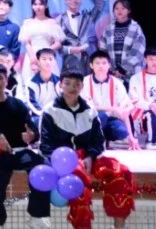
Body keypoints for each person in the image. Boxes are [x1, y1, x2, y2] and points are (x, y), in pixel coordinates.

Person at [40, 71, 133, 229]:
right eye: (68, 83)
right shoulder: (50, 110)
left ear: (82, 86)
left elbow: (98, 140)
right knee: (78, 182)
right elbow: (45, 146)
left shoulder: (90, 110)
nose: (72, 87)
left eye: (77, 84)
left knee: (121, 172)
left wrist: (90, 156)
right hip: (63, 162)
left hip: (89, 157)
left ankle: (119, 226)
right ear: (60, 85)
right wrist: (66, 163)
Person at [0, 63, 51, 229]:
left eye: (0, 78)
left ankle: (38, 215)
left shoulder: (18, 104)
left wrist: (32, 135)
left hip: (20, 151)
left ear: (6, 80)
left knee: (43, 167)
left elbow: (31, 128)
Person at [81, 51, 137, 149]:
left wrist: (131, 136)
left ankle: (104, 139)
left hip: (111, 119)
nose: (101, 66)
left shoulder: (117, 83)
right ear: (91, 65)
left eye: (104, 63)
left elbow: (124, 111)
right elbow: (87, 107)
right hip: (89, 119)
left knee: (122, 132)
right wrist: (111, 109)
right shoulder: (84, 82)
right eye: (97, 63)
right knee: (101, 116)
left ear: (109, 65)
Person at [58, 0, 105, 75]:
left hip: (90, 63)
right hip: (70, 64)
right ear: (66, 0)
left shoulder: (88, 17)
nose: (74, 1)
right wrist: (71, 49)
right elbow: (58, 47)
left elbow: (101, 2)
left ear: (80, 0)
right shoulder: (58, 20)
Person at [19, 0, 63, 83]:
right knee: (31, 82)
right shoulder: (28, 22)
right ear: (32, 6)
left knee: (50, 83)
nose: (38, 7)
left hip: (48, 56)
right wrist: (33, 57)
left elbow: (58, 43)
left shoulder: (52, 22)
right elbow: (27, 43)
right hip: (32, 55)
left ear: (46, 6)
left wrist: (45, 53)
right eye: (35, 4)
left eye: (41, 4)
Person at [97, 0, 146, 78]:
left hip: (132, 71)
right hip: (114, 72)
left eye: (123, 8)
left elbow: (138, 51)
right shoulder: (108, 28)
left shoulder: (135, 28)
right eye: (116, 8)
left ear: (128, 11)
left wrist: (123, 69)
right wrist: (110, 68)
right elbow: (103, 48)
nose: (119, 11)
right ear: (113, 11)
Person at [24, 49, 62, 125]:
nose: (48, 62)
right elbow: (32, 104)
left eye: (50, 59)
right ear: (38, 62)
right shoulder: (31, 83)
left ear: (55, 62)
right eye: (44, 59)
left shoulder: (60, 82)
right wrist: (46, 116)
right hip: (38, 116)